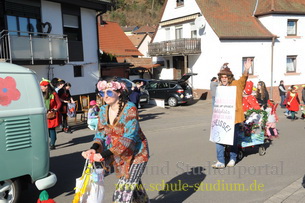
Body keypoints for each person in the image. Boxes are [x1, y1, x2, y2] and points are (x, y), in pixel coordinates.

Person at [81, 77, 150, 202]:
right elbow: (101, 133)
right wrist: (93, 149)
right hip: (119, 155)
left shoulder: (130, 109)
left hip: (136, 154)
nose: (105, 96)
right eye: (102, 93)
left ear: (119, 93)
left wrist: (103, 155)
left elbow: (127, 139)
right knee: (134, 189)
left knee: (121, 195)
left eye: (109, 92)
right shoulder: (102, 110)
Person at [212, 58, 252, 169]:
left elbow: (243, 79)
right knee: (218, 139)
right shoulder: (220, 88)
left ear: (229, 77)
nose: (224, 79)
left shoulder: (236, 84)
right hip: (222, 117)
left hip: (234, 117)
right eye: (222, 77)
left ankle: (233, 158)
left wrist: (246, 69)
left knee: (232, 139)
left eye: (226, 77)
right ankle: (220, 161)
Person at [40, 79, 62, 150]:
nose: (41, 88)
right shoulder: (41, 94)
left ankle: (52, 143)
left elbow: (59, 103)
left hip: (52, 114)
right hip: (45, 113)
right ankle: (53, 139)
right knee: (47, 129)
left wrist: (55, 109)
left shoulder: (54, 94)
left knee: (51, 129)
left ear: (46, 86)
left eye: (42, 86)